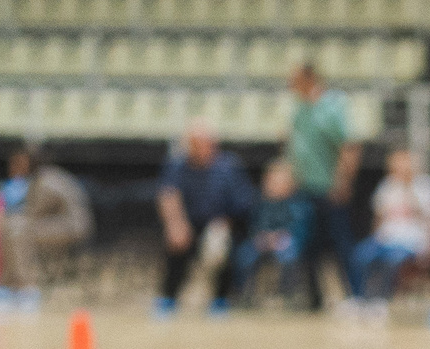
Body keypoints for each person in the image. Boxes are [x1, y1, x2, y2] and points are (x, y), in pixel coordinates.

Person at [154, 121, 253, 315]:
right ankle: (168, 299)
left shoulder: (229, 167)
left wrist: (224, 223)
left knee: (221, 245)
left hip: (221, 225)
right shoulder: (177, 165)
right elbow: (167, 194)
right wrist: (175, 224)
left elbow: (243, 202)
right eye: (194, 143)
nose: (199, 147)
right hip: (188, 224)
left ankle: (220, 300)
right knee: (176, 243)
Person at [283, 62, 360, 311]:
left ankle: (355, 296)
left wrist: (343, 182)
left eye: (295, 80)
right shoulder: (300, 109)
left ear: (309, 79)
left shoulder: (333, 105)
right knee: (307, 245)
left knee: (341, 244)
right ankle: (314, 299)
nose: (290, 85)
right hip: (306, 188)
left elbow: (348, 146)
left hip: (330, 189)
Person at [343, 144, 430, 314]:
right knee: (360, 254)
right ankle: (359, 298)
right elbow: (378, 219)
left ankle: (381, 300)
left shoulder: (425, 186)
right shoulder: (386, 186)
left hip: (413, 243)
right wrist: (374, 239)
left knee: (392, 260)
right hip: (385, 239)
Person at [0, 147, 91, 305]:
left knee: (17, 230)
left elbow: (33, 214)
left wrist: (6, 218)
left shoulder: (45, 181)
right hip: (63, 224)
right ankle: (10, 285)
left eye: (18, 163)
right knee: (13, 227)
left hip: (71, 228)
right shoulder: (46, 176)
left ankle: (25, 289)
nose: (13, 168)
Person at [231, 157, 314, 306]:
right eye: (273, 180)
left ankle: (287, 296)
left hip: (288, 242)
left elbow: (300, 230)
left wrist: (280, 237)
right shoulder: (260, 202)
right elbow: (254, 225)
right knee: (245, 254)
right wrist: (263, 237)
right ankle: (244, 293)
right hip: (262, 240)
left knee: (288, 254)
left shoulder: (299, 202)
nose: (276, 184)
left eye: (281, 181)